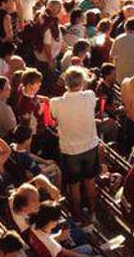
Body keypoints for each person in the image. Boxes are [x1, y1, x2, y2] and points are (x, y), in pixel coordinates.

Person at [47, 67, 101, 221]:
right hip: (90, 146)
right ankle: (92, 213)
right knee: (90, 182)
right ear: (82, 82)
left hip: (70, 150)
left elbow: (53, 118)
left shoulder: (55, 103)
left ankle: (77, 215)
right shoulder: (90, 96)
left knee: (74, 185)